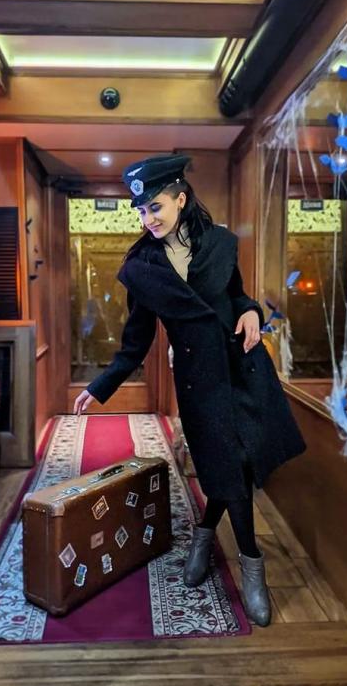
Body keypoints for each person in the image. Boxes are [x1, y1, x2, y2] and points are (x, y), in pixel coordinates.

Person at [73, 154, 306, 626]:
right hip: (200, 381)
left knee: (239, 463)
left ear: (180, 199)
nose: (148, 219)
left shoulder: (220, 243)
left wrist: (252, 312)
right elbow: (135, 342)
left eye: (155, 207)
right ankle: (252, 565)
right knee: (229, 465)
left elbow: (236, 295)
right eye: (141, 211)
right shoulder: (141, 269)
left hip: (244, 367)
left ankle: (204, 535)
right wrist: (101, 385)